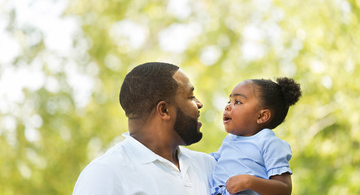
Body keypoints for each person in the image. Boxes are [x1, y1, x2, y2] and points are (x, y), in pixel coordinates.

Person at [73, 62, 215, 195]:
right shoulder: (104, 174)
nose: (199, 103)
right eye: (191, 97)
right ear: (164, 110)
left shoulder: (207, 165)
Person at [210, 77, 302, 195]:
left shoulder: (269, 143)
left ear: (262, 116)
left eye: (237, 102)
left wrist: (249, 182)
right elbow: (211, 162)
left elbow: (284, 189)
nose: (227, 107)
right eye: (229, 101)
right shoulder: (230, 140)